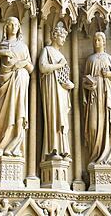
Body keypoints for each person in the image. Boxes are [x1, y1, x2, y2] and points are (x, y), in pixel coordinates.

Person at [0, 17, 33, 157]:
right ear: (6, 27)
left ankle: (14, 145)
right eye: (10, 24)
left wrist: (21, 64)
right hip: (5, 84)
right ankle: (2, 144)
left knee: (18, 111)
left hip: (20, 82)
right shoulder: (1, 45)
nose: (13, 27)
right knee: (4, 115)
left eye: (16, 24)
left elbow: (31, 68)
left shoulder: (23, 46)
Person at [39, 25, 74, 161]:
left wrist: (70, 85)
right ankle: (53, 149)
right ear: (54, 36)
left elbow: (64, 76)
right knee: (54, 117)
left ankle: (63, 149)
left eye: (65, 37)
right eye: (61, 36)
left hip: (62, 91)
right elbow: (43, 67)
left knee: (63, 119)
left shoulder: (61, 55)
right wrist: (59, 65)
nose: (64, 39)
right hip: (51, 89)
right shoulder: (47, 50)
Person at [83, 32, 111, 165]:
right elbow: (84, 79)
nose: (96, 42)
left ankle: (107, 158)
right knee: (93, 126)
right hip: (94, 96)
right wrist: (88, 85)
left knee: (107, 124)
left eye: (99, 40)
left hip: (106, 94)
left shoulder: (108, 58)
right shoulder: (90, 59)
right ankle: (95, 156)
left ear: (104, 42)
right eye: (95, 40)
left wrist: (109, 74)